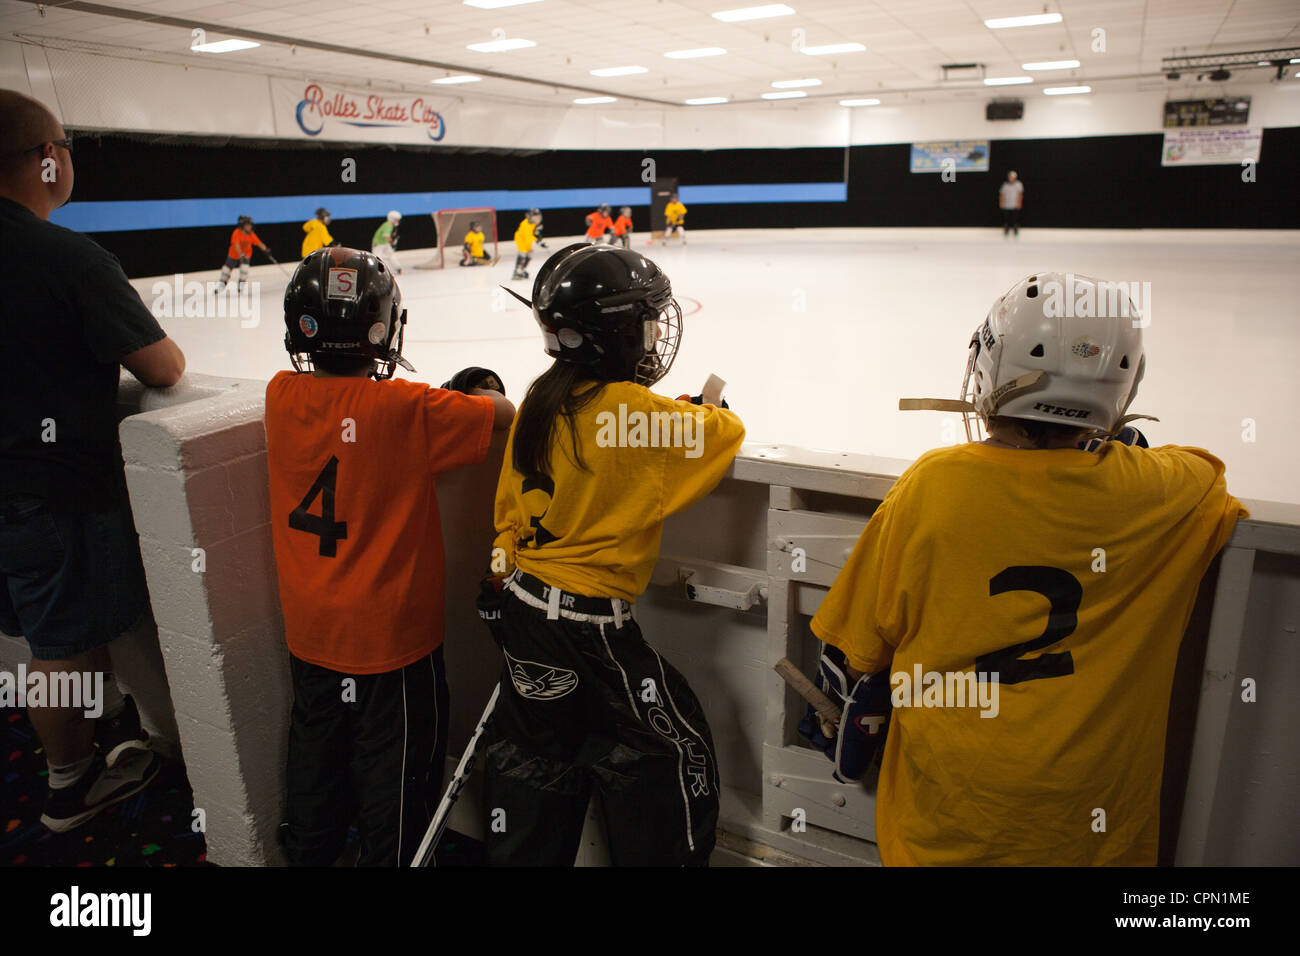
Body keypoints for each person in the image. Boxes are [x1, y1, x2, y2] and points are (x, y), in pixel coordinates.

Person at [809, 272, 1246, 866]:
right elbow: (1205, 472)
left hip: (949, 820)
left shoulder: (932, 485)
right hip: (1089, 831)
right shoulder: (1162, 495)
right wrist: (1122, 450)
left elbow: (852, 652)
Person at [484, 243, 746, 866]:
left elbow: (508, 512)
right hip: (590, 633)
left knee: (536, 761)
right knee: (676, 753)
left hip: (523, 606)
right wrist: (681, 411)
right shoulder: (637, 413)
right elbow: (723, 432)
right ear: (621, 333)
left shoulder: (540, 399)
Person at [267, 247, 514, 866]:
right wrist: (478, 389)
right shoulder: (411, 408)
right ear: (383, 330)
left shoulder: (279, 395)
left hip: (312, 633)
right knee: (398, 779)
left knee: (316, 759)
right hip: (392, 644)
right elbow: (504, 413)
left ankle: (310, 853)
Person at [0, 90, 186, 831]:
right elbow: (165, 367)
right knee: (65, 645)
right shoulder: (65, 256)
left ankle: (75, 736)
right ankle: (70, 784)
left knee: (40, 630)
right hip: (49, 492)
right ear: (47, 160)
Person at [217, 215, 269, 293]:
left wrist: (266, 250)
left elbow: (259, 243)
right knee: (226, 271)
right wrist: (240, 254)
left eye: (250, 225)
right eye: (247, 225)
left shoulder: (251, 234)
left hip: (247, 254)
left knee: (244, 270)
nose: (249, 227)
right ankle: (221, 285)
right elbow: (236, 244)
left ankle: (240, 288)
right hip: (233, 255)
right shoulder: (237, 233)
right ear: (242, 226)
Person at [511, 208, 542, 280]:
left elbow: (533, 234)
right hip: (521, 240)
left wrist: (538, 237)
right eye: (536, 216)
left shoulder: (533, 224)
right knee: (522, 254)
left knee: (530, 254)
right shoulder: (525, 224)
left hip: (527, 241)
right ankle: (517, 271)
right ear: (530, 216)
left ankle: (522, 269)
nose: (538, 218)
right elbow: (528, 237)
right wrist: (538, 241)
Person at [371, 210, 402, 275]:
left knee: (391, 255)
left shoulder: (389, 225)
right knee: (378, 257)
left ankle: (398, 268)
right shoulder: (388, 225)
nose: (398, 221)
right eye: (396, 220)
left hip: (385, 243)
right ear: (392, 219)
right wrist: (392, 242)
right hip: (378, 243)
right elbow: (386, 235)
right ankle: (377, 270)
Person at [999, 170, 1023, 236]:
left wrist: (1019, 203)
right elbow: (1002, 194)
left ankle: (1015, 228)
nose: (1011, 178)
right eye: (1010, 177)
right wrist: (1001, 203)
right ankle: (1006, 228)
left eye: (1013, 177)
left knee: (1015, 218)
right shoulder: (1005, 185)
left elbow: (1020, 194)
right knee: (1006, 218)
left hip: (1015, 204)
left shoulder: (1019, 184)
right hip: (1006, 204)